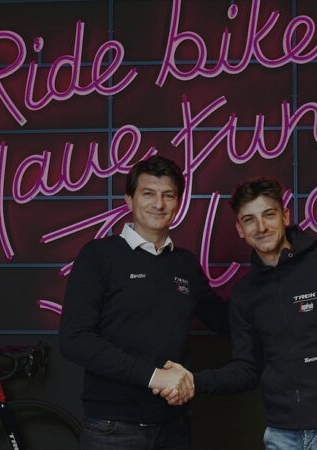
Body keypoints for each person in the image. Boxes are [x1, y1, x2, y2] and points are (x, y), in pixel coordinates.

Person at [159, 177, 317, 450]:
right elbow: (246, 370)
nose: (261, 227)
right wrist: (192, 381)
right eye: (249, 220)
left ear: (285, 216)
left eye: (268, 214)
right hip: (281, 437)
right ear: (240, 229)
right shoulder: (245, 293)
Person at [59, 155, 229, 450]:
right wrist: (154, 377)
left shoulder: (186, 264)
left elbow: (225, 320)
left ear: (178, 203)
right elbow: (74, 339)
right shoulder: (98, 256)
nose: (158, 204)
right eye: (148, 193)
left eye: (168, 195)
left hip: (174, 427)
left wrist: (275, 277)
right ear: (129, 199)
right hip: (113, 429)